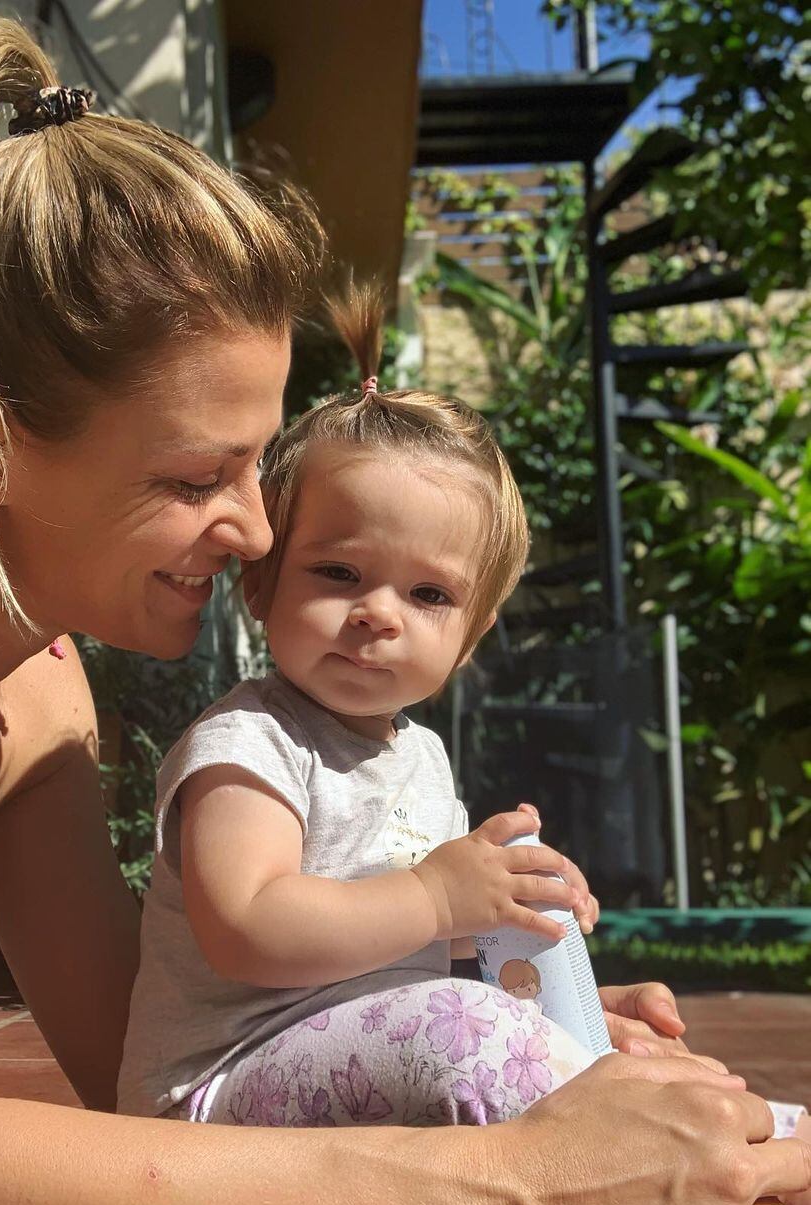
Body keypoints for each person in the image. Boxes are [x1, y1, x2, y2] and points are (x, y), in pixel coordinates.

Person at [0, 2, 807, 1205]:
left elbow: (154, 1082)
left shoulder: (37, 693)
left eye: (257, 463)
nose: (253, 529)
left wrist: (534, 1046)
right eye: (198, 475)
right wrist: (525, 1193)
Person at [117, 285, 810, 1160]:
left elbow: (408, 963)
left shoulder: (423, 761)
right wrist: (435, 896)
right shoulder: (248, 744)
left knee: (528, 1019)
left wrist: (524, 947)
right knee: (471, 1035)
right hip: (218, 1090)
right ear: (261, 583)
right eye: (338, 573)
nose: (379, 613)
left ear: (469, 636)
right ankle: (709, 1154)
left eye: (428, 594)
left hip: (363, 1053)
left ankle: (721, 1128)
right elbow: (245, 926)